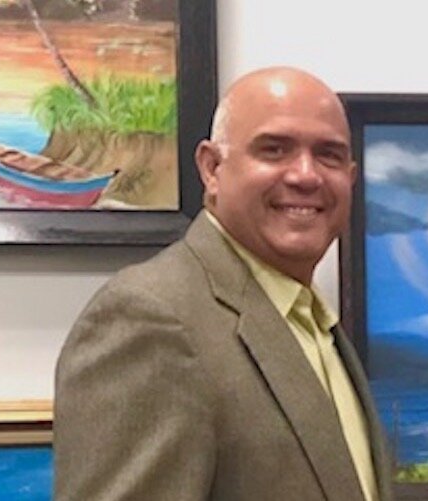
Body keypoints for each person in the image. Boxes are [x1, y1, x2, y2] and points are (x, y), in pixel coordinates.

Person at [54, 67, 393, 501]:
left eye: (328, 155)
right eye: (275, 149)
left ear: (350, 177)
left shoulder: (314, 323)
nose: (306, 175)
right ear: (212, 168)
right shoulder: (150, 318)